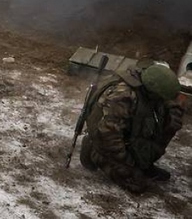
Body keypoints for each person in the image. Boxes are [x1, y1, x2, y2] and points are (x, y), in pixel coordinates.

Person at [79, 63, 184, 194]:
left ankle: (142, 163)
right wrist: (127, 165)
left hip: (129, 137)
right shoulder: (122, 96)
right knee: (138, 186)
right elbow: (108, 136)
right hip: (106, 145)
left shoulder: (151, 90)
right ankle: (92, 153)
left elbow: (170, 104)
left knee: (172, 119)